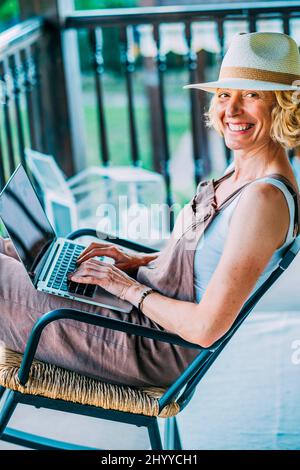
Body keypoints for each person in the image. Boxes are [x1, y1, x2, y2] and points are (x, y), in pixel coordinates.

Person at [1, 31, 300, 388]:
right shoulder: (242, 170)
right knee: (15, 249)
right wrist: (135, 259)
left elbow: (205, 329)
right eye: (223, 95)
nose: (231, 110)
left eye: (251, 95)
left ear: (284, 105)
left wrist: (123, 286)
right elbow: (206, 261)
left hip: (150, 345)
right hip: (142, 316)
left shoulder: (263, 199)